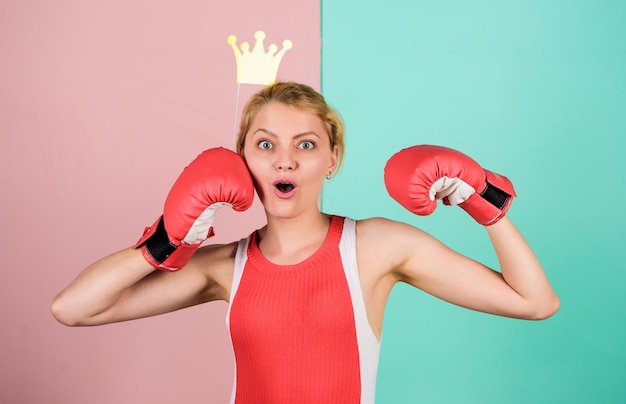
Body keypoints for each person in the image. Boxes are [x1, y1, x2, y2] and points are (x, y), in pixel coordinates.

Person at [51, 82, 559, 403]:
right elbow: (73, 309)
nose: (284, 161)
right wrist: (164, 241)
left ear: (332, 160)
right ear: (243, 159)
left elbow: (534, 302)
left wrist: (483, 200)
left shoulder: (375, 246)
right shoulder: (227, 265)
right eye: (265, 144)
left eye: (306, 144)